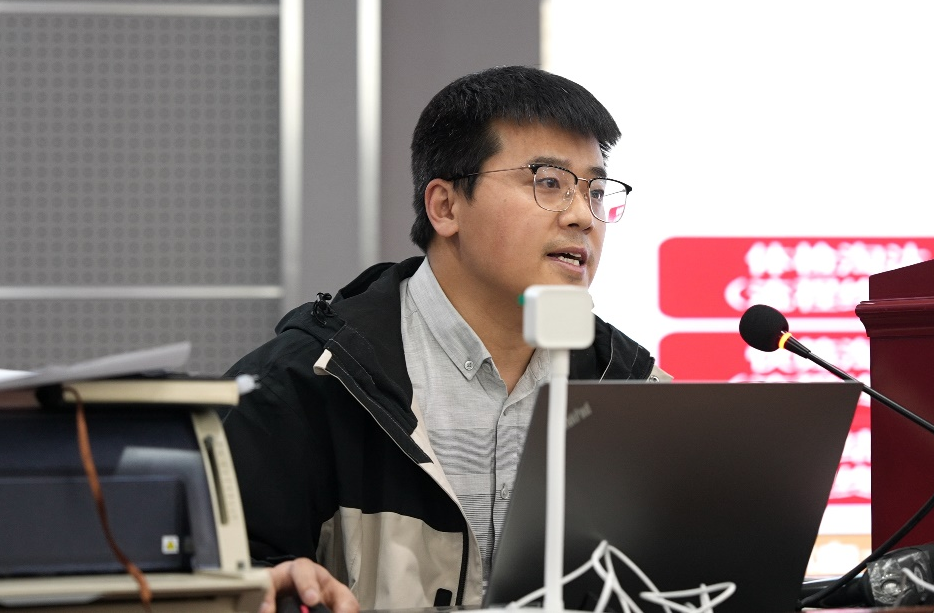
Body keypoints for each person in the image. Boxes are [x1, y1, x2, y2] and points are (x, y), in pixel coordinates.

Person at [223, 66, 669, 612]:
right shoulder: (305, 384)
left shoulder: (636, 393)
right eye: (549, 182)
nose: (583, 217)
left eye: (596, 191)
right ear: (445, 206)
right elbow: (216, 581)